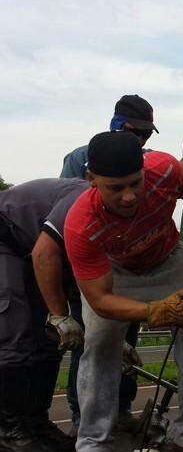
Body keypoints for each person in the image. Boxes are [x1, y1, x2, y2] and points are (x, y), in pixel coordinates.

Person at [62, 131, 183, 452]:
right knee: (99, 344)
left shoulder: (162, 167)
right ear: (91, 179)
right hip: (115, 272)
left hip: (168, 258)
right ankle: (94, 441)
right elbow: (100, 300)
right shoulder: (80, 225)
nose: (129, 197)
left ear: (144, 172)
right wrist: (154, 311)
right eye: (115, 188)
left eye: (135, 183)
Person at [60, 94, 159, 434]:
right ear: (118, 125)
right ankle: (81, 415)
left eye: (147, 135)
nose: (142, 141)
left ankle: (121, 409)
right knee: (94, 342)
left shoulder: (145, 164)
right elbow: (69, 218)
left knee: (126, 338)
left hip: (125, 268)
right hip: (88, 266)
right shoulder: (79, 160)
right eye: (137, 132)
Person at [0, 178, 89, 452]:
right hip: (6, 237)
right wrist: (60, 315)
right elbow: (44, 252)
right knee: (13, 330)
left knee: (50, 339)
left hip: (32, 251)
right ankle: (8, 429)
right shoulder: (81, 200)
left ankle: (36, 422)